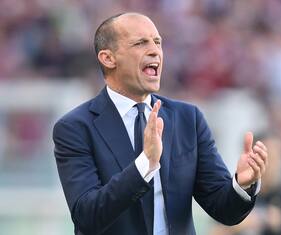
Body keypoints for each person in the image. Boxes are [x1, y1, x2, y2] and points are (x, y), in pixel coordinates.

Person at [52, 12, 268, 235]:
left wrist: (242, 185)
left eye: (157, 42)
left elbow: (224, 210)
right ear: (108, 58)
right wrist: (145, 164)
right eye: (140, 43)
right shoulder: (75, 128)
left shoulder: (188, 119)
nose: (155, 50)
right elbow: (87, 216)